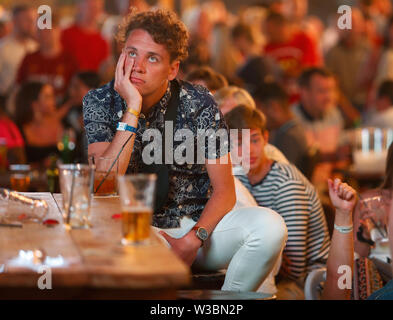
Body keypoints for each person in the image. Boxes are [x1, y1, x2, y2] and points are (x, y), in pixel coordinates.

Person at [83, 9, 287, 292]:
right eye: (131, 53)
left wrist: (193, 239)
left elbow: (225, 190)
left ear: (172, 69)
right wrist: (132, 109)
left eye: (151, 58)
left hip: (196, 229)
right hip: (132, 229)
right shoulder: (100, 101)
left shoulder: (199, 102)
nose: (137, 66)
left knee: (270, 227)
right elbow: (103, 184)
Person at [224, 105, 330, 299]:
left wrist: (266, 256)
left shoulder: (285, 182)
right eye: (239, 142)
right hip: (267, 274)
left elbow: (294, 267)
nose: (248, 150)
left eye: (254, 140)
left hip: (308, 283)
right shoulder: (240, 176)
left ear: (266, 138)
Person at [252, 81, 311, 178]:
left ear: (273, 107)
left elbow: (280, 176)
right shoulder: (293, 129)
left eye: (258, 110)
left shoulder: (288, 137)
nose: (255, 118)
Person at [16, 15, 78, 102]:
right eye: (40, 30)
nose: (43, 34)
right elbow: (19, 88)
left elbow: (75, 95)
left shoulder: (69, 60)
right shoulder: (29, 59)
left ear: (58, 30)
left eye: (48, 30)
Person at [14, 82, 67, 166]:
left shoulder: (61, 124)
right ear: (34, 102)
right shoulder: (17, 129)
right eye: (48, 97)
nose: (53, 100)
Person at [61, 0, 109, 72]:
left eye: (95, 8)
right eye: (90, 7)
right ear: (79, 6)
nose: (93, 11)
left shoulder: (102, 42)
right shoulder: (65, 34)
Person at [0, 5, 38, 96]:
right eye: (27, 20)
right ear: (15, 21)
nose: (32, 24)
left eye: (34, 20)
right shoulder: (3, 48)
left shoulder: (35, 47)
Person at [231, 22, 278, 93]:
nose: (234, 44)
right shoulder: (257, 58)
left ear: (242, 38)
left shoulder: (256, 61)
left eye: (235, 40)